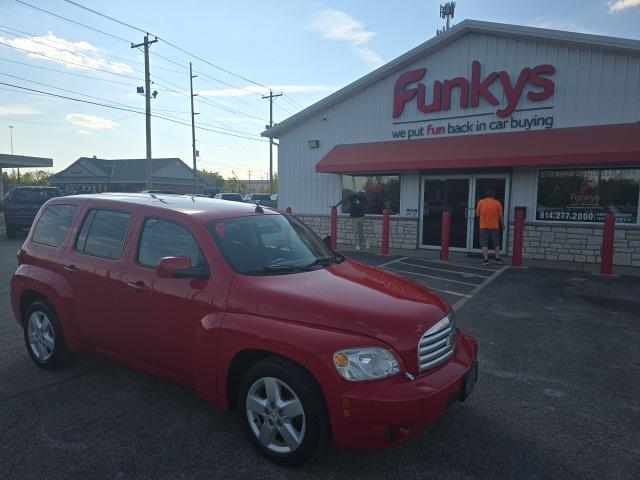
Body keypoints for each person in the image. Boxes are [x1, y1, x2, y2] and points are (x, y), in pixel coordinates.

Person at [476, 189, 504, 266]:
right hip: (494, 226)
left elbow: (477, 214)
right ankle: (497, 259)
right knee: (496, 242)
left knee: (484, 243)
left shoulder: (481, 202)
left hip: (483, 226)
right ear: (493, 195)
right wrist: (502, 224)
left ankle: (486, 260)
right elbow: (500, 215)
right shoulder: (497, 203)